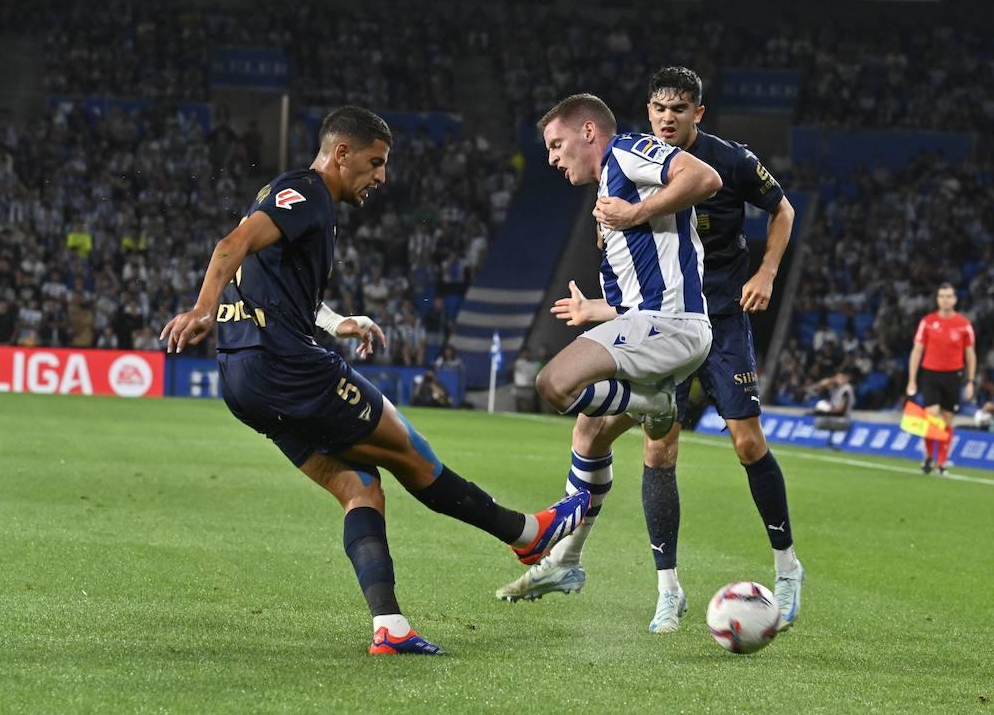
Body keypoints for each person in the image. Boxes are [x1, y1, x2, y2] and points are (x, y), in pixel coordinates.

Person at [159, 106, 588, 657]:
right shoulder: (307, 192)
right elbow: (229, 246)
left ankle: (390, 626)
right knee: (412, 452)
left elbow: (272, 282)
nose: (381, 176)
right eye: (375, 162)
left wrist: (337, 322)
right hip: (288, 366)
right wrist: (201, 308)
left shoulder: (286, 199)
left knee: (359, 487)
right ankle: (527, 535)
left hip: (242, 379)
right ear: (342, 153)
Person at [497, 71, 806, 634]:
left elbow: (764, 202)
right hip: (660, 320)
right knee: (607, 437)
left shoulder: (695, 159)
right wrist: (599, 308)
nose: (667, 118)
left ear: (698, 113)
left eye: (678, 109)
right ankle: (637, 581)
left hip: (714, 315)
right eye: (658, 108)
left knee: (745, 441)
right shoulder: (622, 182)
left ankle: (787, 568)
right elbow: (645, 278)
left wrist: (765, 272)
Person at [499, 90, 722, 634]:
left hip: (672, 325)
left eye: (557, 145)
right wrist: (594, 310)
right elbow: (637, 295)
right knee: (589, 433)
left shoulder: (625, 152)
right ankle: (567, 561)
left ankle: (653, 404)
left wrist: (635, 211)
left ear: (588, 132)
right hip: (651, 323)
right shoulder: (606, 193)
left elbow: (704, 177)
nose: (552, 158)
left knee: (553, 383)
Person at [906, 283, 977, 475]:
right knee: (931, 414)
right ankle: (929, 456)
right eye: (941, 296)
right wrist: (912, 379)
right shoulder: (927, 322)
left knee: (947, 419)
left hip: (954, 375)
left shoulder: (964, 324)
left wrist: (971, 381)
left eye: (948, 296)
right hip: (930, 374)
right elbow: (917, 350)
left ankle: (942, 462)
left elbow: (970, 354)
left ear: (954, 299)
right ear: (937, 299)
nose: (945, 300)